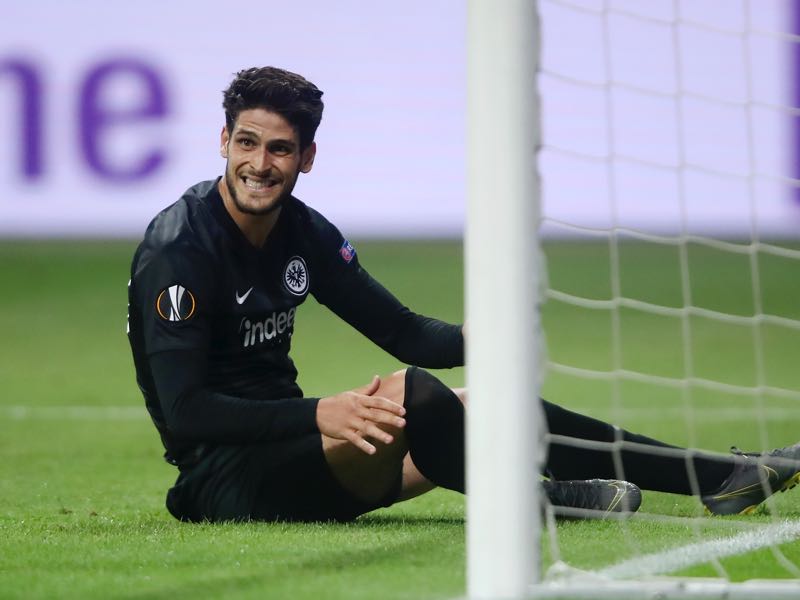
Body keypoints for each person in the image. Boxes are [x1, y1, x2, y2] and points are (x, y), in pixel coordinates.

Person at [127, 66, 800, 523]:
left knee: (484, 401)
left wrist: (479, 337)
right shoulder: (179, 252)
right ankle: (543, 501)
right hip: (224, 480)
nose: (259, 165)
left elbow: (408, 334)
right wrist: (318, 415)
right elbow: (187, 413)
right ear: (223, 141)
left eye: (279, 149)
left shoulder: (302, 232)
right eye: (247, 143)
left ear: (306, 157)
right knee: (410, 396)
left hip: (306, 455)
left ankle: (716, 478)